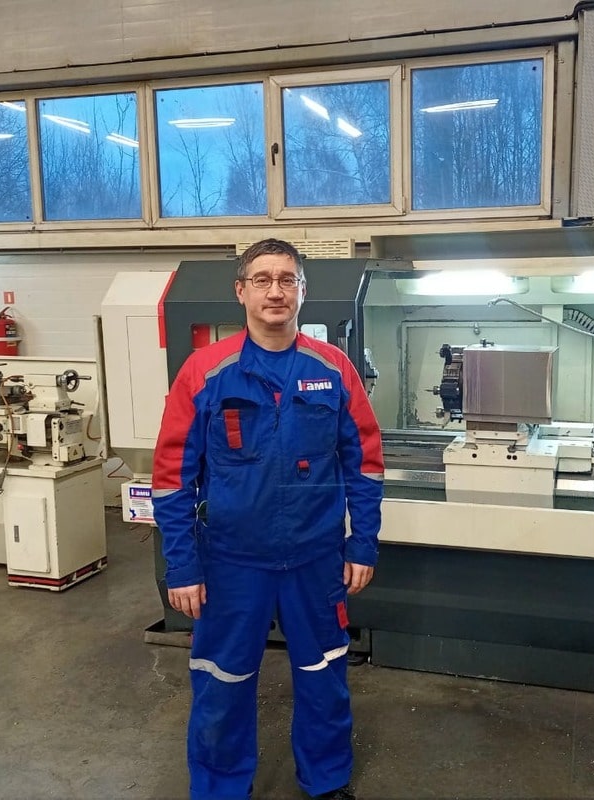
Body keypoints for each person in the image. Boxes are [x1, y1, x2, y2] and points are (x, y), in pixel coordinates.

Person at [152, 238, 385, 800]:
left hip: (315, 559)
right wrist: (182, 567)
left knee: (324, 674)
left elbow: (365, 463)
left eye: (287, 279)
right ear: (241, 291)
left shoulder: (334, 369)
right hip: (232, 563)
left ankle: (326, 781)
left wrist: (363, 544)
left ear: (302, 290)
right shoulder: (205, 373)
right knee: (222, 680)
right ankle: (219, 787)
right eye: (262, 279)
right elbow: (172, 478)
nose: (275, 291)